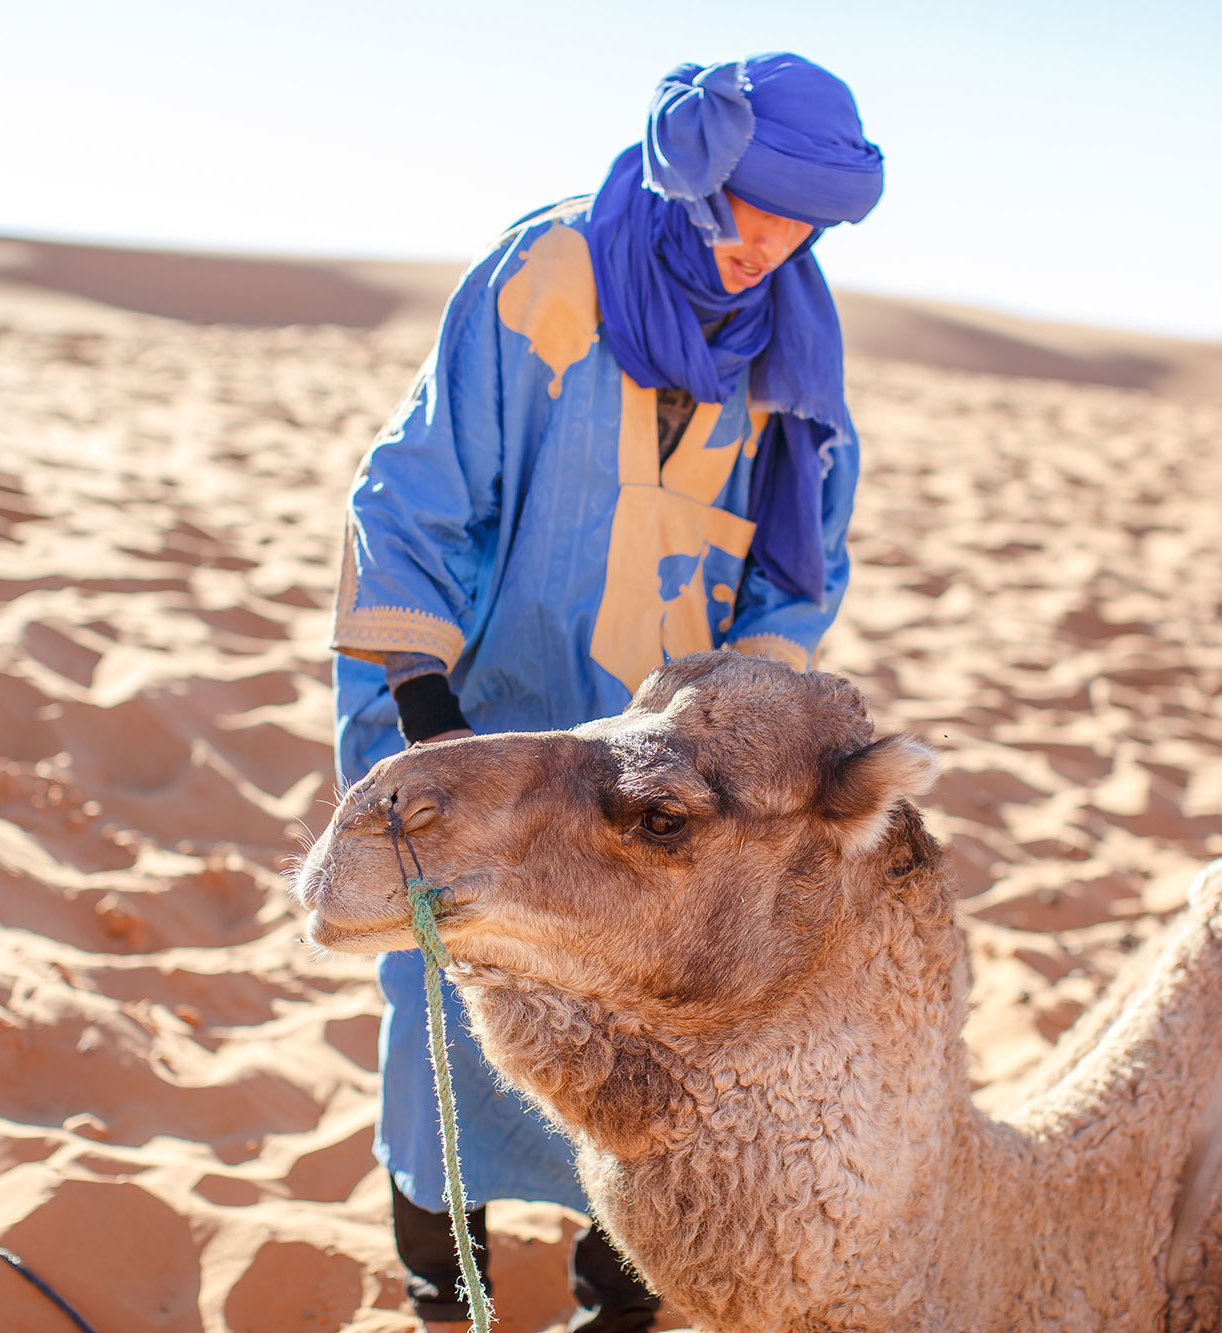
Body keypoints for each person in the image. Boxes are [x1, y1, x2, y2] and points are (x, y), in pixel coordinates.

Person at [329, 51, 884, 1333]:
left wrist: (737, 734)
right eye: (755, 209)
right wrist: (432, 736)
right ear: (693, 176)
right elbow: (412, 498)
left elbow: (797, 569)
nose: (773, 244)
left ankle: (611, 1315)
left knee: (643, 1049)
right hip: (483, 732)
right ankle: (443, 1303)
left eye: (804, 223)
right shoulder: (548, 276)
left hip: (654, 793)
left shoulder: (789, 334)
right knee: (445, 1029)